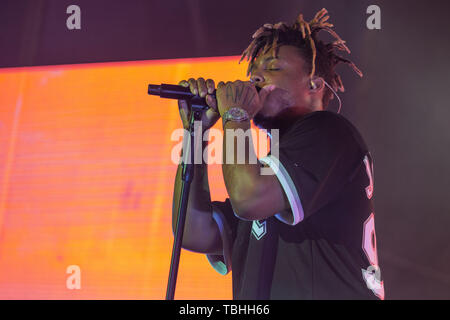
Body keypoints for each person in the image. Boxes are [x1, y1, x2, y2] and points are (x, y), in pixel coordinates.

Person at [172, 8, 385, 300]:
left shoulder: (329, 132)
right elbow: (191, 230)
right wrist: (195, 134)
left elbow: (247, 199)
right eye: (253, 71)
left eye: (272, 68)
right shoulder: (267, 175)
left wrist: (235, 113)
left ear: (313, 85)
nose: (255, 78)